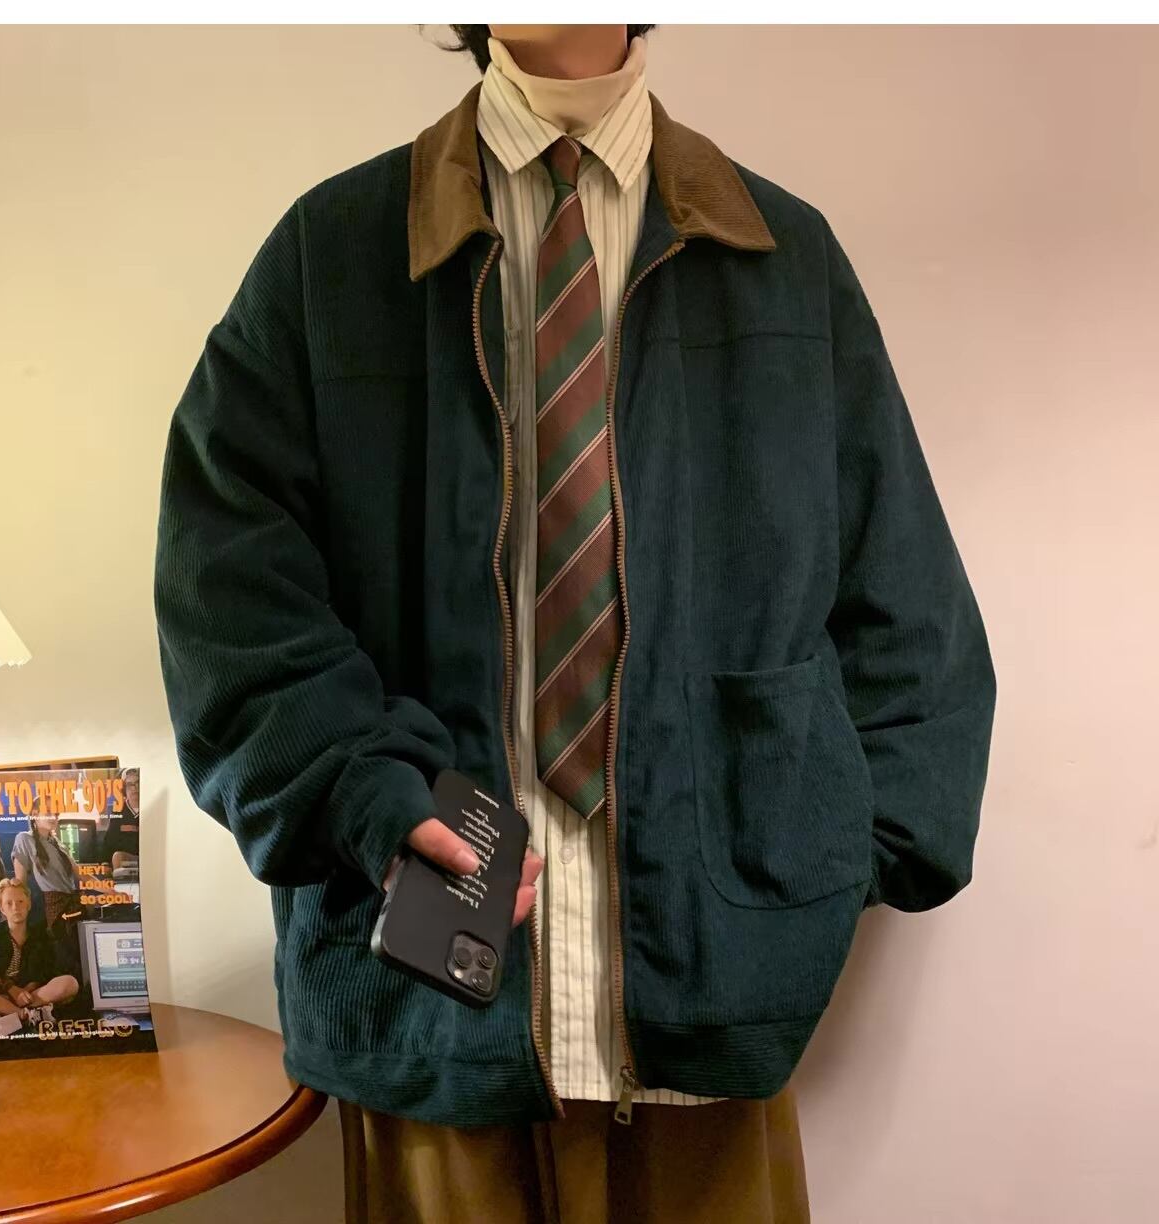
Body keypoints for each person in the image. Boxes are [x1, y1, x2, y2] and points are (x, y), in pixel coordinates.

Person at [155, 23, 997, 1222]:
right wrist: (364, 795)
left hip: (713, 1001)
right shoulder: (331, 256)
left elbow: (906, 615)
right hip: (430, 997)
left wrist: (812, 856)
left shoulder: (781, 259)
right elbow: (228, 603)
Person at [0, 878, 79, 1027]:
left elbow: (42, 972)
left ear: (28, 905)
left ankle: (3, 1012)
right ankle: (24, 1013)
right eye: (9, 903)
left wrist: (26, 992)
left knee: (70, 983)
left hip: (30, 995)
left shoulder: (40, 936)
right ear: (2, 909)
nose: (15, 907)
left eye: (20, 902)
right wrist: (12, 990)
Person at [11, 798, 81, 937]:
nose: (53, 817)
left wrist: (110, 891)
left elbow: (81, 873)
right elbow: (21, 882)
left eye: (56, 814)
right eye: (48, 812)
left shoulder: (59, 844)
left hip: (73, 905)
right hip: (54, 909)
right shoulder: (24, 838)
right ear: (35, 814)